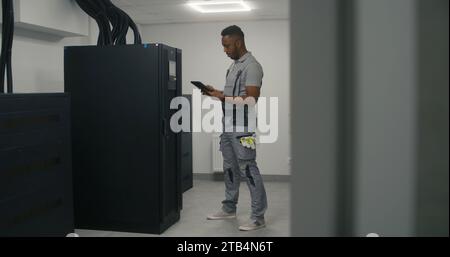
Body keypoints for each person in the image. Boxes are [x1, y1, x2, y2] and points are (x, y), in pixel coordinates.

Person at [202, 25, 267, 231]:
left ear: (238, 42)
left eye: (227, 45)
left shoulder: (252, 66)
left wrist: (223, 97)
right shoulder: (234, 66)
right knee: (229, 168)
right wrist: (217, 92)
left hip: (243, 128)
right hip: (227, 125)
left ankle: (258, 217)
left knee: (248, 169)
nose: (225, 50)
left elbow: (251, 99)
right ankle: (229, 208)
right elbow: (231, 97)